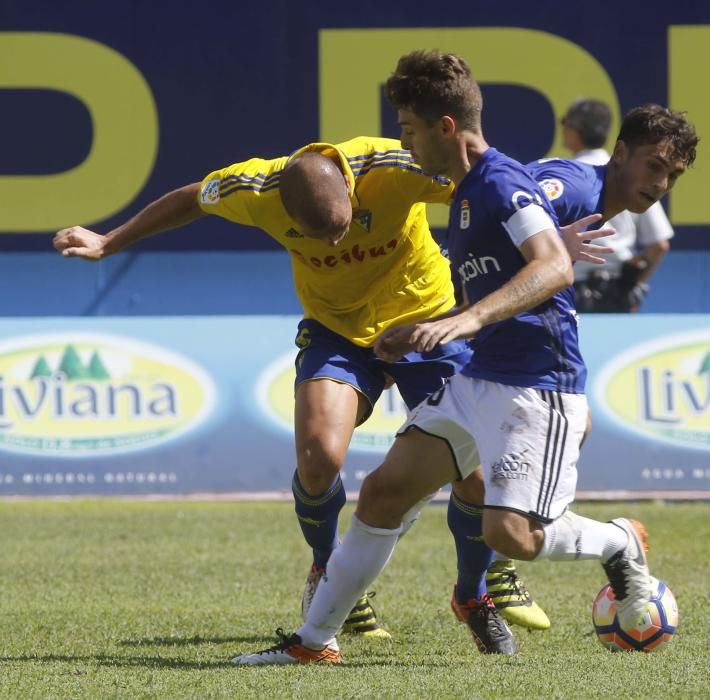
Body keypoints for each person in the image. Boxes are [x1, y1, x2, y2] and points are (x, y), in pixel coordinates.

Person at [228, 50, 696, 666]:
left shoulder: (501, 182)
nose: (403, 141)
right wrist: (433, 325)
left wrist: (465, 319)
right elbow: (537, 232)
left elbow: (548, 262)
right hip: (480, 377)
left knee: (511, 535)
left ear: (444, 128)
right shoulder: (496, 187)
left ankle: (618, 540)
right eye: (656, 167)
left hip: (536, 385)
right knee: (383, 496)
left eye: (409, 129)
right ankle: (312, 644)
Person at [51, 136, 550, 640]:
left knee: (478, 474)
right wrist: (109, 241)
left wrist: (547, 235)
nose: (334, 245)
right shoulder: (253, 187)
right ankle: (327, 572)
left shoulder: (396, 166)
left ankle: (473, 591)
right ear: (283, 209)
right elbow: (189, 198)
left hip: (427, 321)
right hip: (336, 331)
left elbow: (492, 186)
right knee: (317, 459)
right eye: (317, 237)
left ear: (354, 197)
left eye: (342, 230)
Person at [560, 98, 677, 313]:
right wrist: (634, 284)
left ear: (574, 129)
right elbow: (659, 245)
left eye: (564, 122)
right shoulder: (629, 173)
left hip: (567, 291)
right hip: (617, 292)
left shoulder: (562, 175)